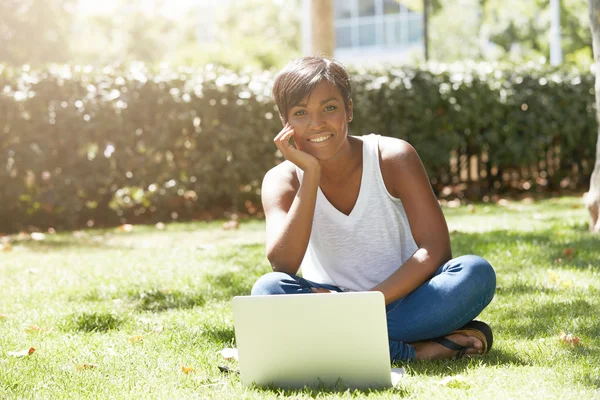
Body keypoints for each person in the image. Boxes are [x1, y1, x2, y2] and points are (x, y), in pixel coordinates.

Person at [251, 56, 496, 362]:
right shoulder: (281, 180)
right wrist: (310, 175)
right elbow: (282, 264)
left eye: (329, 108)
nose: (316, 124)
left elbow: (435, 251)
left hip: (405, 299)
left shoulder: (392, 157)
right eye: (301, 113)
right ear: (285, 124)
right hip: (327, 300)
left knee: (475, 272)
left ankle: (329, 342)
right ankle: (418, 351)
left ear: (349, 110)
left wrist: (364, 304)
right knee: (268, 290)